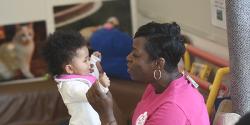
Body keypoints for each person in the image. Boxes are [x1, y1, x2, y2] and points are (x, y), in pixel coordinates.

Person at [86, 22, 210, 125]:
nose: (128, 57)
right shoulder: (157, 86)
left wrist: (105, 115)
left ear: (158, 64)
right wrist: (105, 91)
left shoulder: (172, 110)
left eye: (135, 55)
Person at [42, 30, 110, 125]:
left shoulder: (80, 74)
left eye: (88, 58)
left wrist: (94, 60)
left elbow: (92, 74)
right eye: (85, 60)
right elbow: (91, 95)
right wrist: (102, 85)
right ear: (70, 69)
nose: (89, 62)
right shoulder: (70, 87)